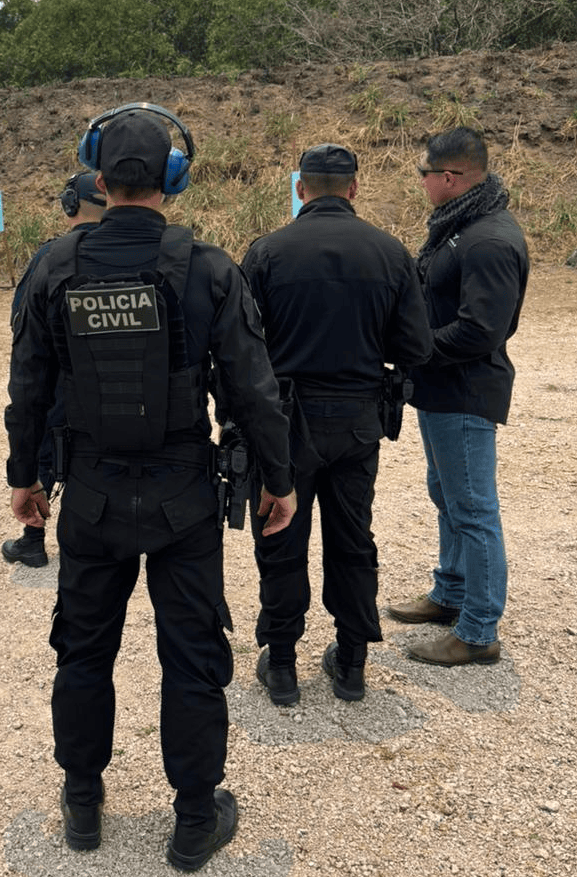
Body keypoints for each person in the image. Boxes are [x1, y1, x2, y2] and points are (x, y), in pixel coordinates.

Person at [4, 103, 296, 871]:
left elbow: (28, 383)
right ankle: (195, 820)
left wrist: (23, 477)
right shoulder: (208, 268)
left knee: (83, 653)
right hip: (182, 500)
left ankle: (82, 805)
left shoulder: (54, 265)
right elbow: (254, 389)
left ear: (97, 178)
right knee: (193, 658)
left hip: (92, 496)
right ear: (175, 178)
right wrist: (281, 481)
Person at [241, 143, 432, 705]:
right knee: (353, 542)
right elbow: (416, 347)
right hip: (356, 422)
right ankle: (351, 663)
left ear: (301, 189)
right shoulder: (390, 253)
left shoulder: (267, 253)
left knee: (280, 536)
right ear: (354, 189)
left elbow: (243, 352)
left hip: (284, 424)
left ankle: (281, 666)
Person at [387, 127, 529, 666]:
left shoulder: (488, 239)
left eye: (425, 174)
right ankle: (450, 592)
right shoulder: (463, 224)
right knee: (447, 496)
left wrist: (417, 350)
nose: (421, 182)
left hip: (465, 391)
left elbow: (481, 330)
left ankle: (477, 630)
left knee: (473, 508)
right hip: (443, 388)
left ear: (449, 179)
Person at [1, 172, 107, 567]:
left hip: (60, 384)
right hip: (111, 388)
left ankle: (33, 538)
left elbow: (22, 322)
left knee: (45, 446)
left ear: (69, 205)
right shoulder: (132, 252)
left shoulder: (52, 257)